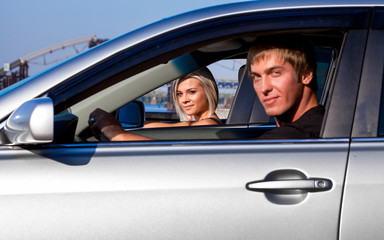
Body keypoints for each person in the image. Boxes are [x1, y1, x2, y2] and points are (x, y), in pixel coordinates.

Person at [88, 67, 222, 141]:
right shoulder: (200, 123)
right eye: (179, 94)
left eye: (191, 92)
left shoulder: (208, 125)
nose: (184, 100)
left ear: (209, 92)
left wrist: (116, 133)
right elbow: (179, 126)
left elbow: (168, 149)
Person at [246, 34, 325, 139]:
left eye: (275, 73)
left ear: (306, 75)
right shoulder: (326, 124)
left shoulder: (283, 140)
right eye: (256, 77)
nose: (263, 88)